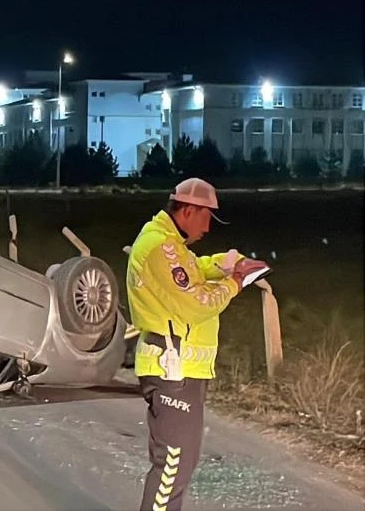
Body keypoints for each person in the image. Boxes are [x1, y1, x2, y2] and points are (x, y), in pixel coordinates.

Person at [127, 177, 267, 511]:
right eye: (207, 217)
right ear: (189, 210)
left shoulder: (168, 244)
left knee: (178, 465)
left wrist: (226, 264)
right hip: (172, 372)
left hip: (180, 371)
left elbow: (193, 268)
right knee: (172, 467)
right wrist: (234, 283)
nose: (208, 226)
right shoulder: (162, 247)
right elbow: (198, 303)